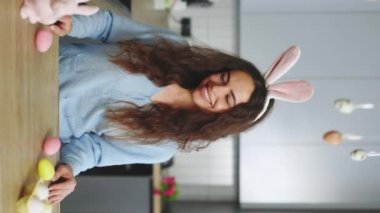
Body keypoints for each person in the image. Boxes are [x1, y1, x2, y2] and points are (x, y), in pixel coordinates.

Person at [47, 9, 313, 204]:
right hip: (41, 60)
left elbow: (94, 150)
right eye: (223, 78)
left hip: (43, 122)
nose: (215, 89)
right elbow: (107, 27)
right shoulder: (172, 48)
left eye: (228, 99)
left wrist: (70, 168)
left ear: (226, 118)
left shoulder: (161, 146)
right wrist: (74, 25)